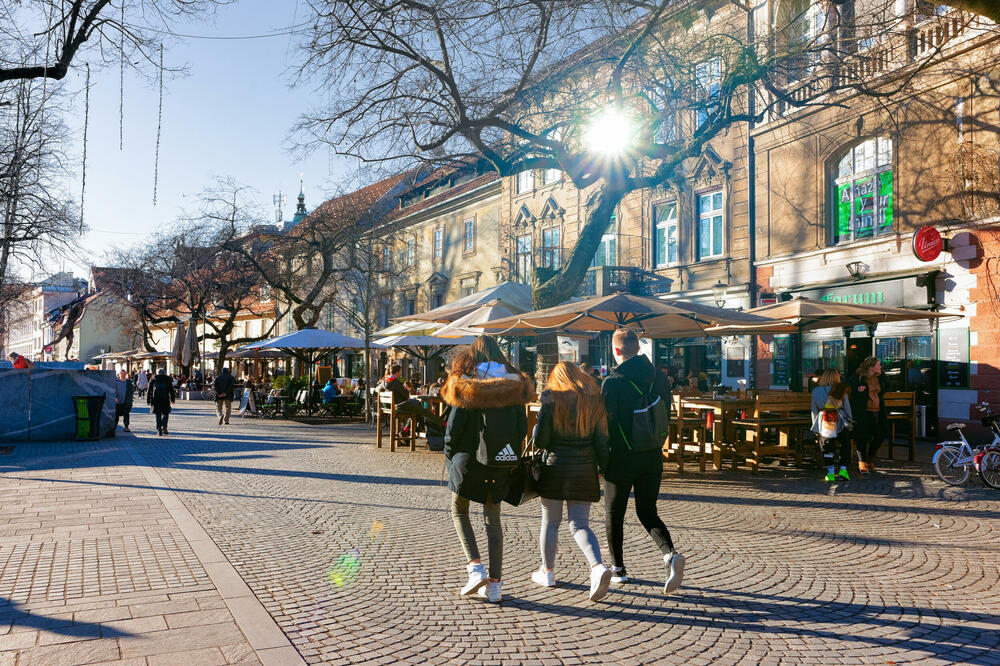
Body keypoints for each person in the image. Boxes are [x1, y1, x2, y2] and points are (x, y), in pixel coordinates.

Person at [441, 337, 534, 603]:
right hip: (499, 460)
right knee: (493, 519)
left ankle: (475, 568)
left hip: (467, 459)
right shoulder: (513, 385)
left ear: (473, 356)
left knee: (459, 510)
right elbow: (522, 428)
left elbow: (454, 428)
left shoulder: (467, 383)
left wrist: (449, 454)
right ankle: (495, 586)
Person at [601, 328, 684, 594]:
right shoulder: (659, 378)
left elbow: (605, 424)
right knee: (647, 511)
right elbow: (666, 413)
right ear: (638, 348)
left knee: (614, 513)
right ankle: (669, 554)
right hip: (652, 454)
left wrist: (602, 459)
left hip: (622, 456)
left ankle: (618, 569)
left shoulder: (612, 382)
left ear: (616, 351)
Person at [531, 362, 613, 602]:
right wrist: (605, 468)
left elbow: (541, 441)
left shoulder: (551, 400)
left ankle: (547, 572)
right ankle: (597, 566)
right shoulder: (593, 401)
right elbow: (602, 441)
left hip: (555, 468)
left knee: (550, 523)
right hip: (584, 469)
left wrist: (540, 420)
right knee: (580, 525)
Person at [811, 369, 853, 482]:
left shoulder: (816, 391)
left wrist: (815, 426)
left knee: (827, 446)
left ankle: (830, 473)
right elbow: (847, 407)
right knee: (845, 445)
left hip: (825, 419)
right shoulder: (841, 389)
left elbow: (814, 410)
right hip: (840, 419)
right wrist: (850, 421)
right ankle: (843, 471)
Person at [848, 356, 888, 473]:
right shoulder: (858, 377)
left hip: (878, 411)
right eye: (878, 365)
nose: (881, 367)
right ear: (871, 367)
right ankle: (862, 462)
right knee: (862, 437)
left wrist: (882, 374)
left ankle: (870, 457)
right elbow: (849, 386)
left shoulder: (879, 377)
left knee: (881, 434)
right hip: (863, 411)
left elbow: (887, 386)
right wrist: (857, 389)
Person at [377, 364, 443, 430]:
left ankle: (408, 430)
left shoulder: (385, 382)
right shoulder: (396, 382)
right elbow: (406, 394)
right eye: (400, 372)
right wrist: (406, 389)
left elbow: (377, 390)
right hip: (401, 406)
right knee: (423, 411)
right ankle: (440, 425)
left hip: (392, 406)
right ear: (397, 372)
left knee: (418, 406)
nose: (400, 373)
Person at [147, 369, 176, 435]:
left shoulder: (153, 379)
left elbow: (149, 391)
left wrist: (148, 400)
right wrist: (172, 399)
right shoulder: (167, 379)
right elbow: (171, 390)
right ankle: (164, 426)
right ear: (164, 373)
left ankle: (159, 429)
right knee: (166, 413)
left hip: (156, 399)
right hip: (165, 399)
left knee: (158, 414)